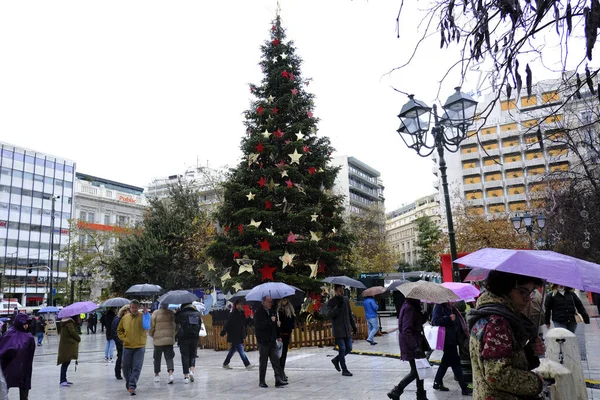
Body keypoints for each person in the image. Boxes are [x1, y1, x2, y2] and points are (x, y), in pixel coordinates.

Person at [468, 270, 546, 399]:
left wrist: (529, 351)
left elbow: (499, 359)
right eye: (522, 291)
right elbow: (497, 375)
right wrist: (536, 381)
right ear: (504, 288)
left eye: (531, 292)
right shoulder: (497, 322)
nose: (527, 298)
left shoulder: (491, 313)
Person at [386, 298, 429, 400]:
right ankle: (397, 390)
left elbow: (415, 323)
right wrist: (415, 347)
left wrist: (425, 316)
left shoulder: (412, 306)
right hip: (411, 344)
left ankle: (420, 395)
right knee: (415, 371)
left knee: (419, 369)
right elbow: (406, 329)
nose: (419, 299)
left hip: (415, 342)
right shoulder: (409, 308)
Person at [431, 302, 472, 395]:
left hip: (452, 338)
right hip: (446, 339)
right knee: (455, 363)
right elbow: (435, 321)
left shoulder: (449, 306)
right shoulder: (439, 306)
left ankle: (437, 383)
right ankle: (464, 388)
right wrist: (449, 318)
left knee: (445, 362)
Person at [117, 300, 151, 396]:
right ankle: (129, 382)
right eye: (132, 307)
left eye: (136, 307)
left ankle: (132, 385)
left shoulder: (143, 316)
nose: (134, 309)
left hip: (139, 346)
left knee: (137, 367)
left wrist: (146, 315)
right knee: (125, 367)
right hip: (127, 346)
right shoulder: (125, 318)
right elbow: (119, 330)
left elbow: (148, 326)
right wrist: (124, 339)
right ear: (130, 308)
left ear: (138, 307)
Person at [0, 313, 36, 399]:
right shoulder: (9, 334)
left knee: (23, 388)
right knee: (4, 386)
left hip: (23, 367)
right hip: (9, 366)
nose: (26, 326)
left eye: (27, 323)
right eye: (24, 324)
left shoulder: (29, 337)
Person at [254, 295, 287, 388]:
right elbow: (258, 326)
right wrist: (269, 320)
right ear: (263, 302)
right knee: (263, 361)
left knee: (275, 360)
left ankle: (278, 379)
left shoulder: (272, 311)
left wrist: (278, 335)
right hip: (263, 341)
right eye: (269, 302)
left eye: (271, 302)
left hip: (272, 340)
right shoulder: (258, 312)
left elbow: (274, 326)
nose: (270, 303)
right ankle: (262, 381)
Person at [327, 284, 357, 377]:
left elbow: (349, 314)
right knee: (342, 349)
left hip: (346, 328)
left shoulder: (345, 300)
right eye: (339, 290)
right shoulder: (331, 302)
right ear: (335, 291)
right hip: (338, 329)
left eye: (342, 290)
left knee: (349, 348)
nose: (341, 292)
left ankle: (336, 360)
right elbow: (330, 315)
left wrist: (353, 326)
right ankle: (344, 369)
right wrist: (337, 307)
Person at [149, 303, 176, 384]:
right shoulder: (172, 313)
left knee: (157, 358)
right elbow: (176, 325)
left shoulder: (155, 313)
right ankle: (171, 374)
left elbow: (152, 326)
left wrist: (151, 334)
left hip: (158, 340)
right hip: (169, 340)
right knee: (169, 357)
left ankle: (157, 375)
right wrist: (173, 334)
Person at [221, 299, 252, 369]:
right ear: (237, 305)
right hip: (234, 334)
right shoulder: (233, 314)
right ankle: (247, 364)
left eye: (242, 304)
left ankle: (225, 363)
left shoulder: (242, 313)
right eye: (240, 304)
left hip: (240, 334)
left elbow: (245, 323)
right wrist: (224, 330)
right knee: (241, 350)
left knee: (233, 350)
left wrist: (249, 318)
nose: (242, 306)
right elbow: (228, 323)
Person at [175, 303, 201, 383]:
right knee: (193, 355)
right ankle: (192, 371)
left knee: (185, 356)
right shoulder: (197, 313)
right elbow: (199, 325)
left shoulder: (181, 314)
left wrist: (177, 312)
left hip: (184, 338)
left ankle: (186, 376)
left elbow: (175, 321)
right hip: (194, 337)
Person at [57, 314, 81, 387]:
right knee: (65, 363)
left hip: (66, 346)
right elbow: (72, 332)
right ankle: (62, 380)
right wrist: (78, 338)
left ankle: (64, 379)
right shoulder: (69, 323)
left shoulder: (68, 322)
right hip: (67, 347)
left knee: (66, 363)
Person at [276, 297, 295, 379]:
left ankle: (282, 371)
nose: (285, 301)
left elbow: (292, 323)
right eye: (283, 300)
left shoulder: (290, 309)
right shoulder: (279, 311)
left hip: (287, 334)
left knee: (284, 354)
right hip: (281, 335)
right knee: (281, 354)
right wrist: (278, 324)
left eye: (286, 300)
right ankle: (280, 372)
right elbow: (277, 324)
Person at [112, 305, 130, 380]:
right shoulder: (118, 319)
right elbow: (114, 332)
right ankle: (117, 372)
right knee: (120, 357)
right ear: (124, 311)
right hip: (120, 342)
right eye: (128, 311)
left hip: (127, 341)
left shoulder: (128, 319)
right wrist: (120, 341)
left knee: (126, 357)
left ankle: (126, 372)